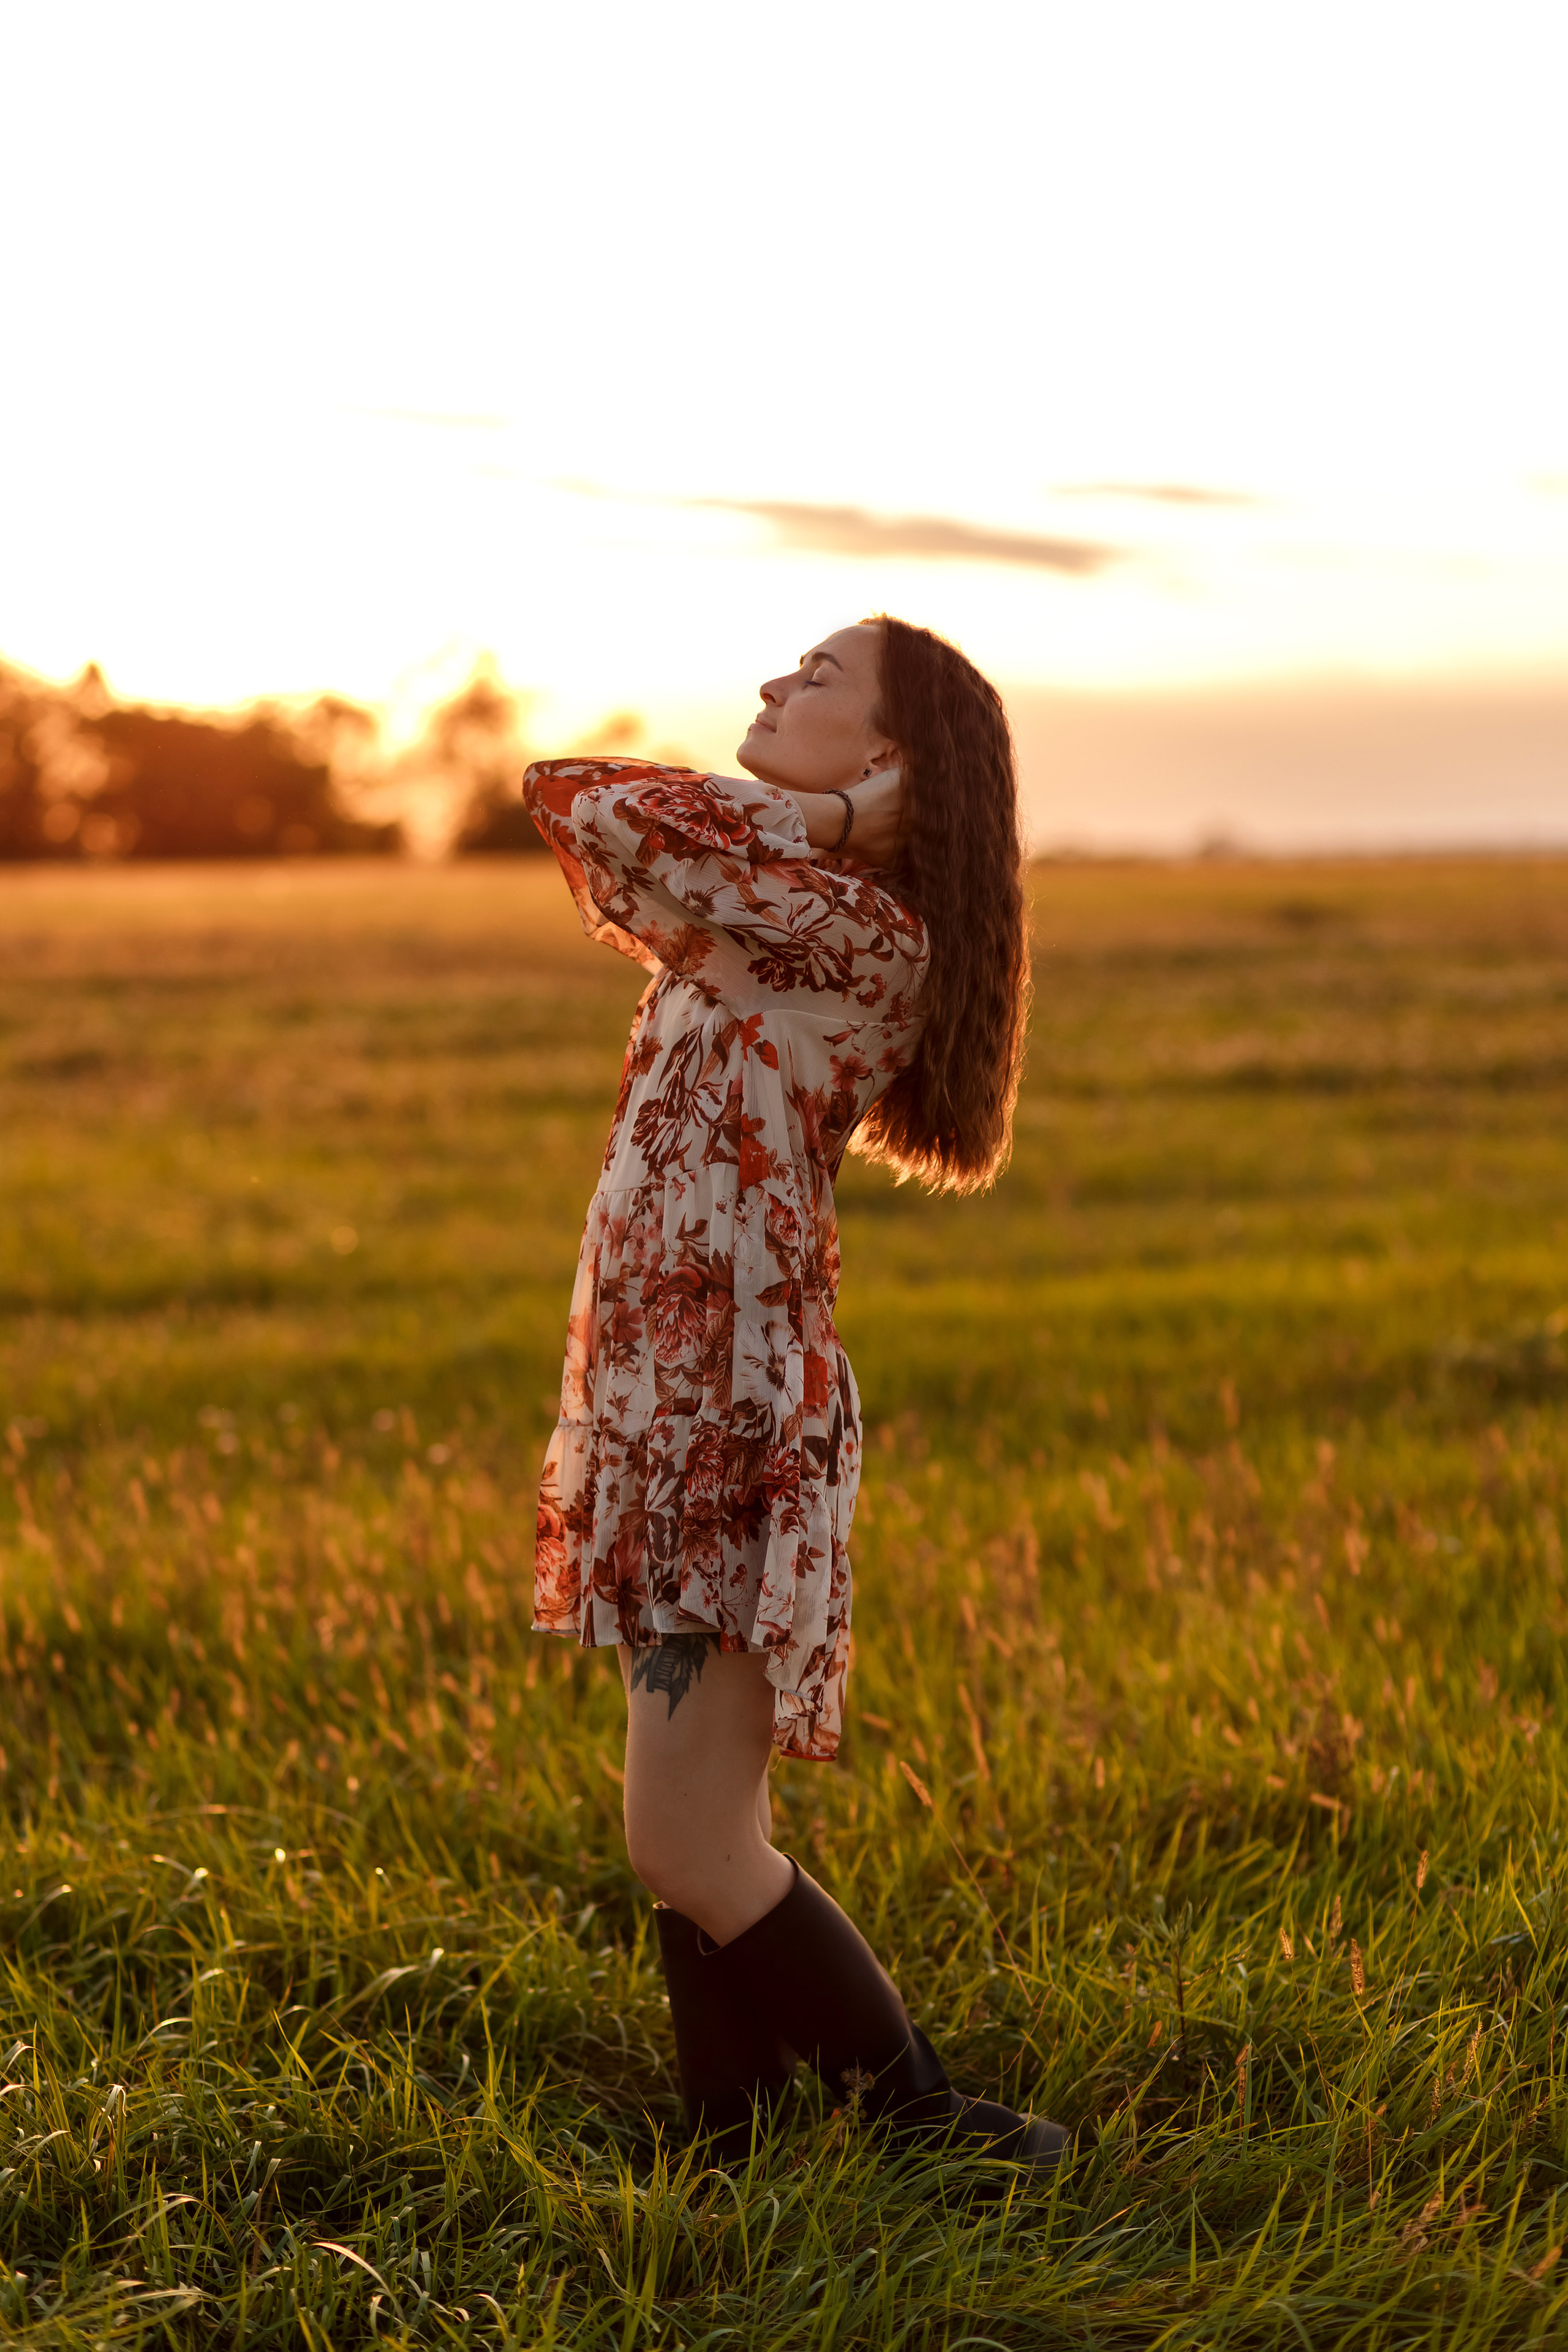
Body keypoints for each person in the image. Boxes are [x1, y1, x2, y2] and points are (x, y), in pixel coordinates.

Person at [524, 616, 1066, 2174]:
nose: (772, 684)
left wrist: (825, 823)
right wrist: (823, 811)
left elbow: (589, 802)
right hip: (663, 1404)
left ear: (890, 759)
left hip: (731, 1413)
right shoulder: (758, 910)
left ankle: (935, 2129)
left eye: (817, 677)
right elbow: (572, 795)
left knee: (687, 1841)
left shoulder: (847, 928)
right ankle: (730, 2141)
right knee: (687, 1834)